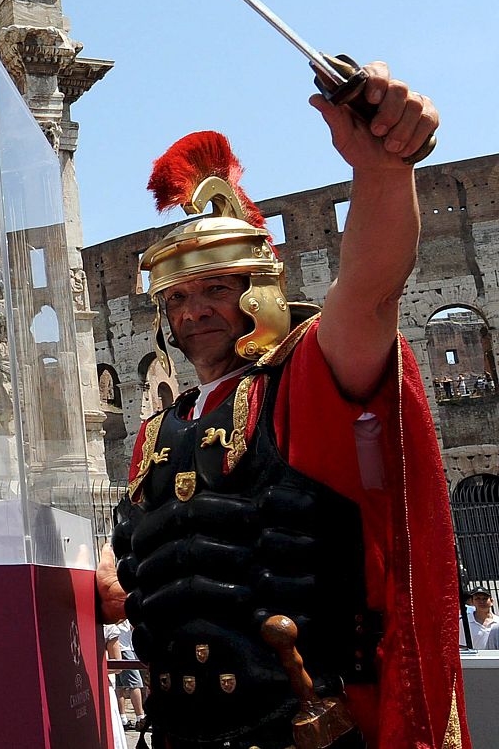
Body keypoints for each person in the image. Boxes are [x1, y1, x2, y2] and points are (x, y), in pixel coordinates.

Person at [99, 62, 464, 748]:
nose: (193, 309)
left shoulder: (303, 379)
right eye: (177, 297)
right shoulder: (156, 432)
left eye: (213, 288)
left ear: (256, 288)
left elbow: (372, 289)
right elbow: (142, 581)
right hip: (181, 732)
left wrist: (383, 170)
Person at [104, 618, 144, 729]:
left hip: (125, 645)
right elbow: (110, 623)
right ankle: (140, 717)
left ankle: (122, 718)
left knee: (120, 685)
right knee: (135, 683)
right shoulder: (118, 613)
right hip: (123, 647)